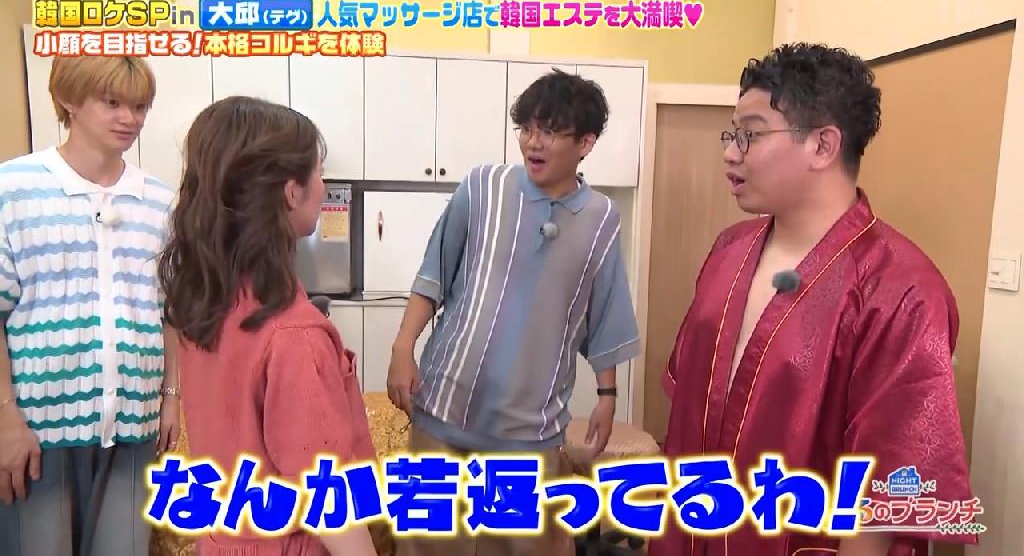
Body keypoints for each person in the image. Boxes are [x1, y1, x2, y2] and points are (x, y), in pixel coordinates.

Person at [648, 43, 977, 556]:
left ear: (823, 146)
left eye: (751, 134)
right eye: (732, 134)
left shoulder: (901, 289)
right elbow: (689, 409)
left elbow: (887, 495)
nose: (731, 152)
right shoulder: (728, 251)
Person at [387, 68, 641, 556]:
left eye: (551, 131)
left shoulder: (601, 218)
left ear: (586, 143)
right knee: (427, 546)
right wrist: (403, 347)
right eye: (527, 128)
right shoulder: (482, 187)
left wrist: (607, 395)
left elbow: (604, 312)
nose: (533, 142)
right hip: (443, 408)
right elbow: (433, 274)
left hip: (529, 430)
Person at [157, 95, 377, 556]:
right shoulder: (293, 335)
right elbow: (328, 501)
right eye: (319, 172)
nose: (323, 185)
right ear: (291, 192)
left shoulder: (206, 301)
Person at [0, 55, 178, 556]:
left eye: (139, 106)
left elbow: (172, 312)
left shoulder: (160, 202)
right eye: (112, 102)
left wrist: (171, 398)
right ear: (68, 100)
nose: (129, 118)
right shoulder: (13, 188)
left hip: (134, 425)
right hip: (37, 427)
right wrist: (5, 417)